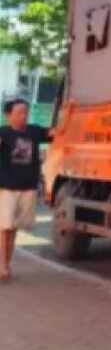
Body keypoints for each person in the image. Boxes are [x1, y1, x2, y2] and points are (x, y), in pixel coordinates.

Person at [0, 99, 51, 283]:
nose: (24, 115)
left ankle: (6, 263)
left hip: (28, 188)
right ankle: (2, 266)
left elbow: (55, 132)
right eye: (20, 112)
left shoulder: (34, 131)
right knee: (4, 228)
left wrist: (68, 113)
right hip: (6, 188)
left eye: (25, 112)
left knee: (13, 229)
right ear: (8, 115)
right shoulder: (3, 133)